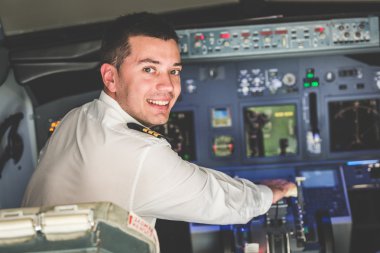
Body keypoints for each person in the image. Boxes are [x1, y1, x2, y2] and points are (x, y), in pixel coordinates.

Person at [22, 12, 296, 226]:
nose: (168, 86)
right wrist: (269, 194)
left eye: (174, 71)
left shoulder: (76, 117)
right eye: (149, 69)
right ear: (110, 77)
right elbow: (223, 203)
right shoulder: (141, 152)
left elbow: (191, 178)